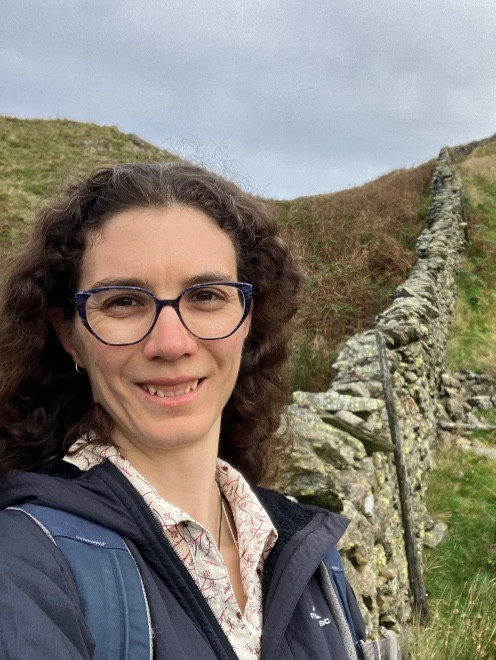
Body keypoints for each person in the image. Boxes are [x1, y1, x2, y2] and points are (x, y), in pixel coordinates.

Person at [0, 162, 370, 659]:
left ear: (248, 319)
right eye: (123, 301)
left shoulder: (312, 557)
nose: (171, 343)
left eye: (207, 296)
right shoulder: (22, 563)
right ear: (69, 334)